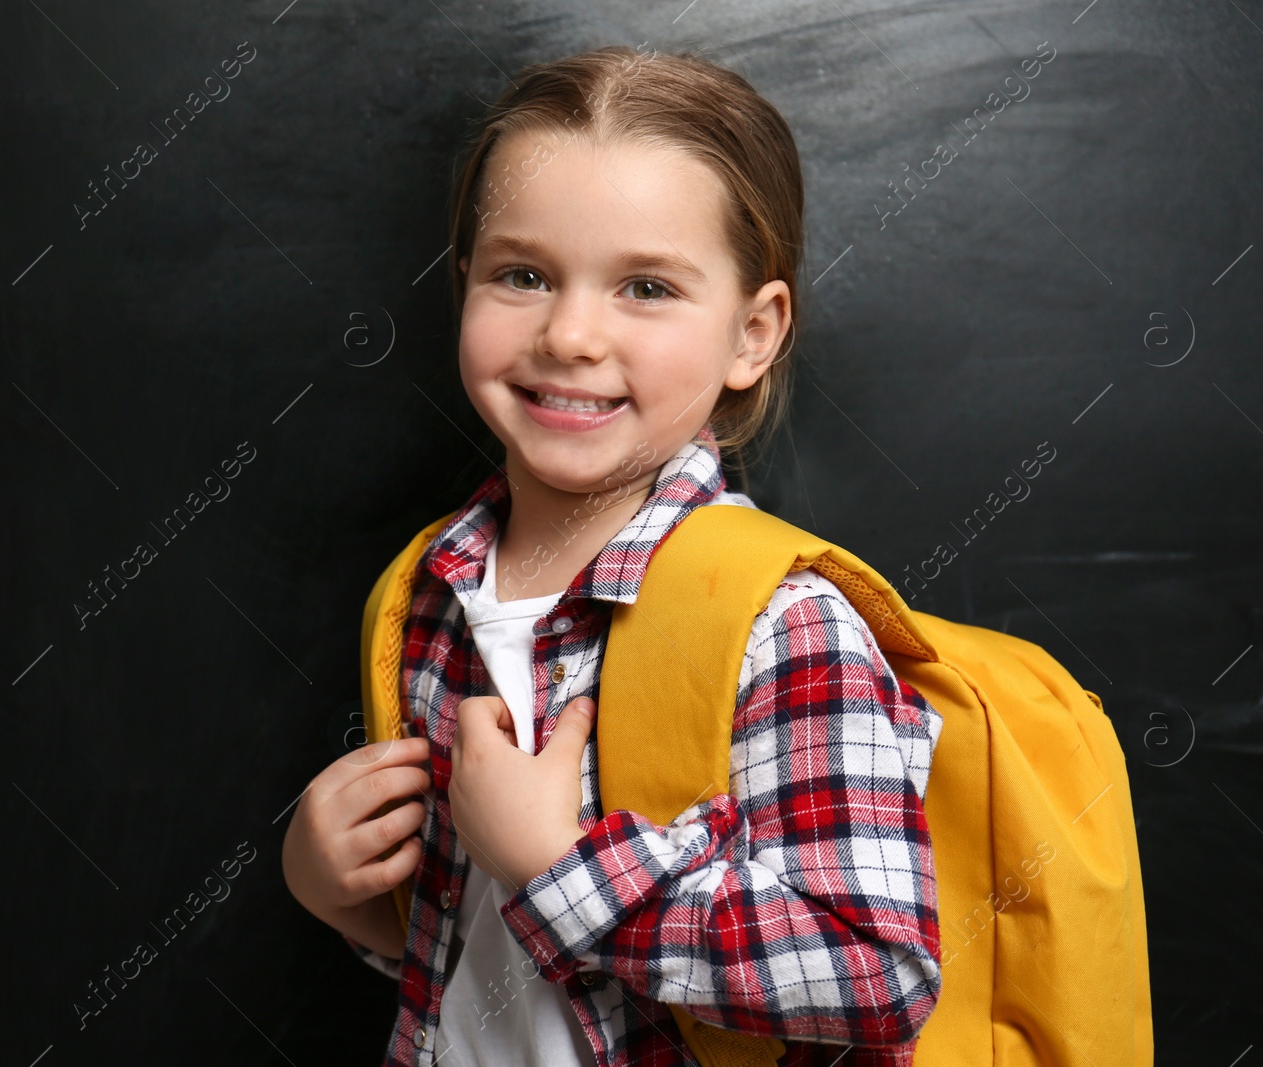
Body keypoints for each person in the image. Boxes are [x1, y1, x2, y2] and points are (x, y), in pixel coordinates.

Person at [282, 44, 943, 1066]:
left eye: (643, 286)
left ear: (752, 334)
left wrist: (558, 862)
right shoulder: (430, 592)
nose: (571, 334)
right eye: (523, 274)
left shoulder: (780, 621)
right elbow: (479, 950)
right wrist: (345, 901)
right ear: (465, 281)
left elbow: (876, 970)